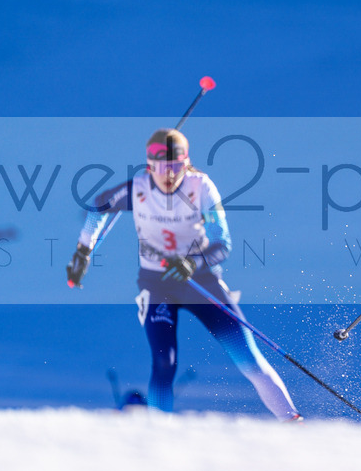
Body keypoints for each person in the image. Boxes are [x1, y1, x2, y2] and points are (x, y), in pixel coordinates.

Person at [66, 128, 302, 421]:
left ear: (186, 162)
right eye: (162, 167)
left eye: (176, 167)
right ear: (149, 165)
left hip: (200, 281)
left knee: (248, 359)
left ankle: (292, 421)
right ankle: (159, 432)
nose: (169, 176)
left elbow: (222, 242)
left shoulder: (200, 187)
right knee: (164, 362)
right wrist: (82, 252)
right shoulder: (138, 188)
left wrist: (193, 262)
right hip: (156, 284)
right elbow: (99, 206)